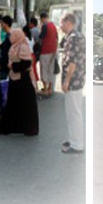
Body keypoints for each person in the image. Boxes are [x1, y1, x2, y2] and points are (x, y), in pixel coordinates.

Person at [0, 28, 39, 136]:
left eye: (12, 35)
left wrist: (13, 66)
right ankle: (7, 128)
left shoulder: (23, 46)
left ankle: (28, 128)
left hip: (23, 80)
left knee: (25, 105)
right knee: (12, 103)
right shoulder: (15, 45)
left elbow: (27, 63)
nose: (10, 37)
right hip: (15, 78)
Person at [60, 13, 86, 154]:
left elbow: (72, 62)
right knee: (72, 112)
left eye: (61, 23)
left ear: (68, 23)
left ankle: (77, 145)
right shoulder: (77, 36)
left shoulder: (73, 38)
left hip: (73, 81)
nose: (60, 26)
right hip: (77, 80)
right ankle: (73, 139)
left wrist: (67, 80)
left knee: (74, 113)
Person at [38, 12, 58, 97]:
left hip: (45, 51)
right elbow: (57, 38)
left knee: (44, 70)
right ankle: (50, 88)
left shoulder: (45, 26)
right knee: (50, 70)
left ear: (42, 18)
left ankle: (45, 89)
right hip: (53, 50)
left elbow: (41, 37)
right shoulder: (53, 25)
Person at [0, 16, 14, 81]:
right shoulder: (9, 34)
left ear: (6, 24)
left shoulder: (10, 35)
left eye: (2, 23)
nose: (0, 25)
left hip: (6, 62)